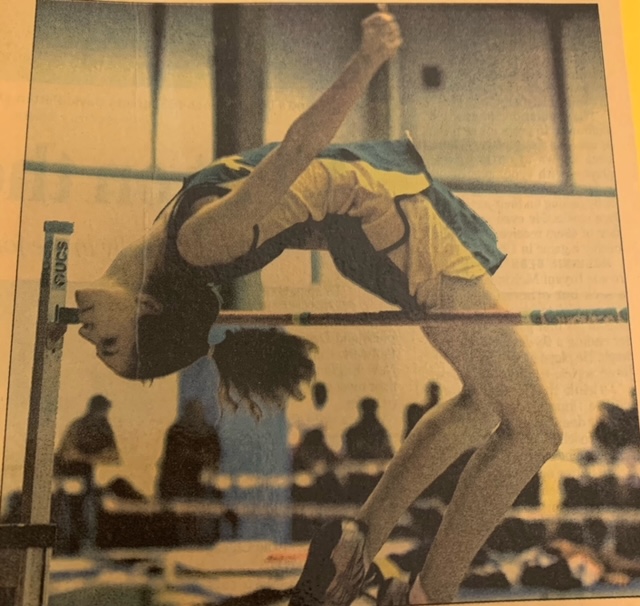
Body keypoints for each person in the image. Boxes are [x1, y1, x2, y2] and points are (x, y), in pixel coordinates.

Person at [75, 9, 561, 605]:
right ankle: (428, 596)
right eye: (108, 344)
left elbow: (298, 173)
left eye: (106, 346)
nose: (87, 335)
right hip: (390, 224)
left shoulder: (176, 238)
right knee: (535, 431)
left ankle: (355, 543)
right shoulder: (197, 240)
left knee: (483, 405)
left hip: (380, 221)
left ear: (148, 306)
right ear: (148, 307)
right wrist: (368, 58)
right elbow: (301, 147)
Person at [53, 394, 120, 551]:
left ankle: (85, 543)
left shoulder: (104, 427)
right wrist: (92, 457)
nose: (104, 414)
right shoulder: (79, 426)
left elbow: (114, 456)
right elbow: (68, 454)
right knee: (67, 510)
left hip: (85, 475)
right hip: (66, 474)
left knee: (89, 507)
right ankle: (66, 544)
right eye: (103, 410)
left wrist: (90, 458)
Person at [157, 398, 222, 500]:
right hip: (177, 485)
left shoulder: (210, 434)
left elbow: (214, 457)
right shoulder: (177, 432)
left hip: (199, 484)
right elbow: (177, 455)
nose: (196, 416)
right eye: (193, 412)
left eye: (198, 412)